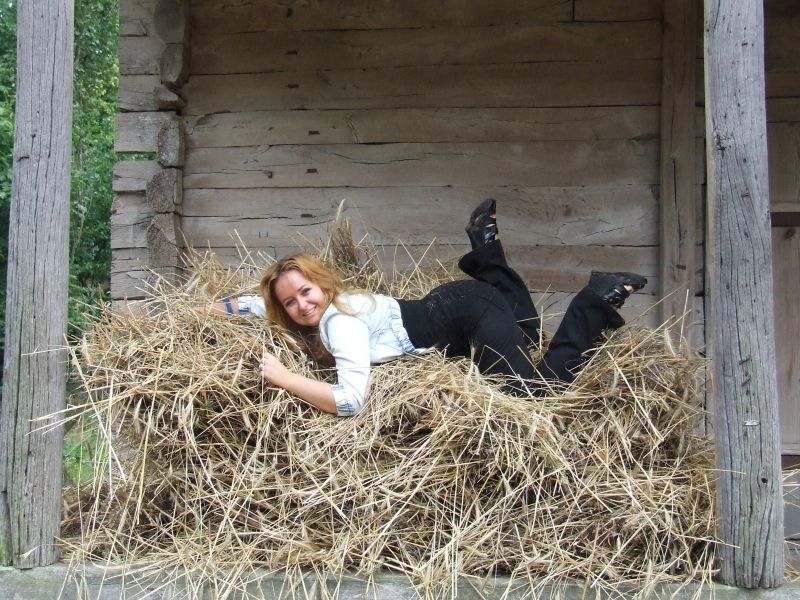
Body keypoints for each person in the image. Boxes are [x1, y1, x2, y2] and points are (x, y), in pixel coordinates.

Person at [216, 200, 646, 416]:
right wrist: (213, 310)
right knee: (527, 336)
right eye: (290, 302)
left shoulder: (340, 324)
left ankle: (594, 301)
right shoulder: (331, 301)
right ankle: (486, 249)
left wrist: (284, 377)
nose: (301, 304)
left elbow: (350, 401)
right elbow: (256, 303)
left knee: (533, 395)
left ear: (322, 284)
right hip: (456, 302)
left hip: (468, 314)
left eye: (305, 292)